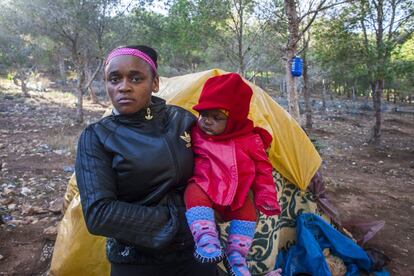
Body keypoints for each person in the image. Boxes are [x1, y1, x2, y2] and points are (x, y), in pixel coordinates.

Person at [75, 45, 217, 276]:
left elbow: (215, 165)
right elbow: (99, 214)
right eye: (114, 79)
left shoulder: (181, 120)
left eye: (135, 78)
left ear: (155, 83)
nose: (124, 87)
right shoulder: (97, 137)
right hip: (137, 262)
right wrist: (180, 223)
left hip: (198, 253)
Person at [183, 73, 281, 276]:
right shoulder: (194, 133)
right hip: (206, 185)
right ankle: (206, 239)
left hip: (236, 193)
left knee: (248, 211)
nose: (207, 122)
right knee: (192, 192)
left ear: (235, 119)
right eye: (204, 115)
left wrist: (266, 196)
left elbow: (263, 169)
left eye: (217, 117)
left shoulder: (249, 140)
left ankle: (236, 254)